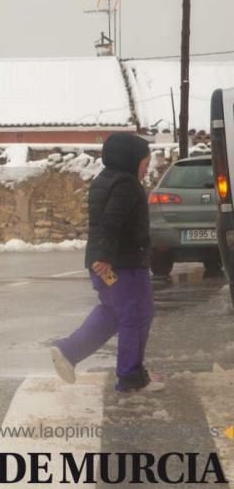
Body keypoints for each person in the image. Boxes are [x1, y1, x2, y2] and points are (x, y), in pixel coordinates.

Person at [50, 132, 162, 394]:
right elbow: (112, 220)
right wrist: (106, 256)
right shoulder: (126, 184)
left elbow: (104, 222)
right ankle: (131, 377)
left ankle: (68, 351)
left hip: (106, 262)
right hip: (122, 264)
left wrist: (101, 256)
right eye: (144, 164)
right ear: (130, 160)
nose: (146, 170)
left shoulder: (105, 180)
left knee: (114, 313)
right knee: (136, 315)